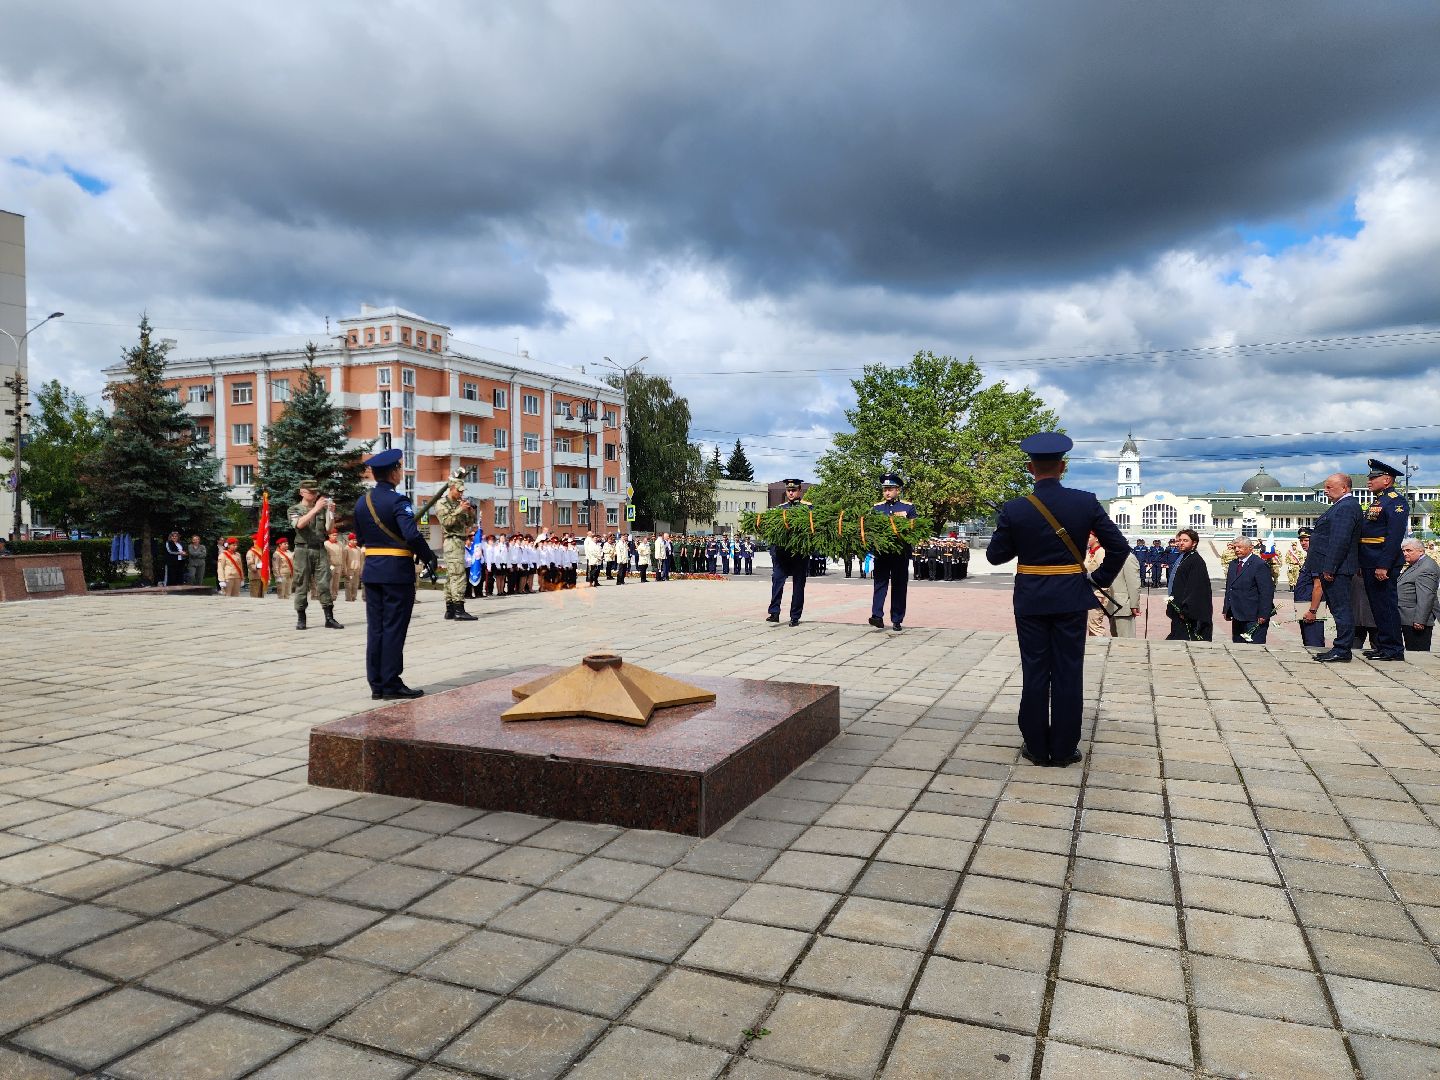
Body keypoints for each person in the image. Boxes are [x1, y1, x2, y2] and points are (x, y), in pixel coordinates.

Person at [986, 433, 1128, 767]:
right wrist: (1099, 578)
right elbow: (1119, 547)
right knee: (1068, 672)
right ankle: (1064, 748)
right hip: (1070, 599)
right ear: (1063, 466)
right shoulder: (1085, 502)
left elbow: (994, 556)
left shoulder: (1015, 508)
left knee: (1035, 671)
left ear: (1029, 467)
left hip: (1031, 600)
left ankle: (1036, 746)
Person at [353, 448, 437, 700]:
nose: (400, 472)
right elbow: (411, 535)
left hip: (373, 571)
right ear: (393, 473)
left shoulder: (362, 501)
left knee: (376, 629)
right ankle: (391, 682)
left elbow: (360, 537)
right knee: (393, 628)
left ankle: (376, 684)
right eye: (399, 468)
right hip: (396, 573)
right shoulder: (398, 501)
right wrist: (428, 556)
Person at [1358, 458, 1409, 661]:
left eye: (1373, 477)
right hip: (1370, 560)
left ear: (1387, 479)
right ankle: (1383, 645)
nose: (1369, 481)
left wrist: (1383, 565)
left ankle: (1393, 649)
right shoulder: (1380, 500)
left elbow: (1394, 537)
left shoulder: (1396, 501)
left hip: (1381, 562)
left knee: (1386, 605)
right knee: (1377, 606)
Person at [1309, 472, 1363, 663]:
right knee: (1338, 608)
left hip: (1337, 568)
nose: (1325, 491)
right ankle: (1341, 647)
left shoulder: (1346, 507)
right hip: (1333, 567)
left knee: (1341, 609)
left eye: (1329, 487)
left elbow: (1340, 540)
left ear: (1344, 488)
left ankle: (1342, 649)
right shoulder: (1341, 506)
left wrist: (1330, 568)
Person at [288, 480, 343, 631]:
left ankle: (329, 618)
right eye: (310, 492)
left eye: (315, 492)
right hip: (302, 550)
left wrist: (331, 513)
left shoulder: (321, 510)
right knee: (301, 583)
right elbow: (299, 524)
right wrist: (315, 509)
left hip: (320, 549)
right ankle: (301, 618)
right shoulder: (294, 509)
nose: (314, 494)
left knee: (324, 583)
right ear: (302, 492)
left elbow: (329, 530)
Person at [869, 473, 916, 631]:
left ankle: (897, 619)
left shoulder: (908, 507)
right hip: (882, 554)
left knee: (899, 586)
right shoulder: (877, 508)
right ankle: (877, 616)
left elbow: (914, 530)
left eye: (890, 489)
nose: (887, 492)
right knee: (879, 584)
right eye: (884, 490)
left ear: (898, 490)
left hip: (900, 554)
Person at [767, 479, 811, 627]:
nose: (790, 493)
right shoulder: (780, 509)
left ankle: (795, 616)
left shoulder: (808, 508)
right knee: (777, 580)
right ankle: (774, 612)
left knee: (798, 585)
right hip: (782, 554)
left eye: (793, 490)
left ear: (800, 491)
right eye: (788, 490)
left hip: (799, 554)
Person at [436, 473, 478, 621]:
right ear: (451, 488)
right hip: (451, 541)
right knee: (458, 576)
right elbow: (446, 522)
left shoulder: (458, 503)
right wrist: (460, 509)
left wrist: (471, 513)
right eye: (458, 490)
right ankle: (459, 609)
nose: (461, 493)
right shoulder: (442, 503)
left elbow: (468, 524)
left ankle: (451, 610)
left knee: (451, 577)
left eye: (462, 491)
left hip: (459, 540)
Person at [1222, 537, 1274, 644]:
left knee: (1254, 648)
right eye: (1235, 547)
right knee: (1238, 647)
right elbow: (1230, 588)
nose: (1237, 550)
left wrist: (1264, 614)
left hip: (1254, 616)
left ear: (1250, 548)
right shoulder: (1233, 564)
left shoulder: (1259, 564)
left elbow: (1266, 592)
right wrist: (1226, 609)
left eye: (1240, 547)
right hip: (1237, 614)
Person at [1166, 529, 1213, 641]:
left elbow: (1195, 588)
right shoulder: (1184, 557)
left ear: (1194, 543)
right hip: (1178, 609)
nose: (1181, 543)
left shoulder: (1195, 560)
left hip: (1188, 613)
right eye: (1179, 540)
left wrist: (1186, 610)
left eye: (1185, 540)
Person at [1396, 538, 1437, 653]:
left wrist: (1420, 620)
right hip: (1408, 618)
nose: (1405, 553)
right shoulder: (1417, 564)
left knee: (1418, 653)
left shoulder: (1426, 567)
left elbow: (1426, 596)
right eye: (1403, 551)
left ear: (1421, 551)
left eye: (1409, 550)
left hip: (1415, 621)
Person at [1293, 529, 1327, 649]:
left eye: (1306, 540)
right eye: (1301, 540)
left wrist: (1312, 611)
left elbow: (1318, 586)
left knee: (1314, 643)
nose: (1303, 543)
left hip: (1311, 606)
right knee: (1308, 641)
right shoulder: (1310, 557)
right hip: (1304, 605)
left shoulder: (1316, 558)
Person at [1108, 546, 1143, 638]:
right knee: (1114, 639)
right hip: (1111, 605)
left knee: (1127, 641)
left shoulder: (1128, 557)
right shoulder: (1109, 556)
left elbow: (1134, 584)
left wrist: (1134, 605)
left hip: (1123, 605)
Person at [344, 534, 364, 602]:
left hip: (357, 569)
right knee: (349, 584)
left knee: (355, 584)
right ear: (350, 540)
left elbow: (361, 560)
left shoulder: (358, 549)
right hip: (350, 569)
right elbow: (344, 560)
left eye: (356, 540)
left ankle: (354, 597)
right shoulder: (346, 548)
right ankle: (348, 598)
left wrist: (361, 569)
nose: (355, 541)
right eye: (353, 540)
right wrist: (345, 569)